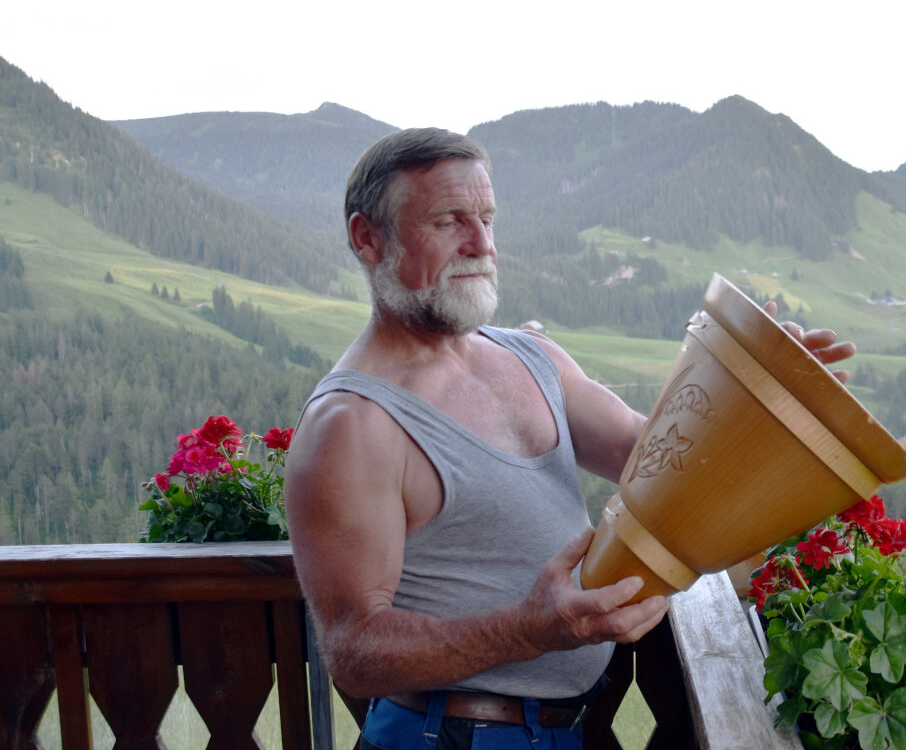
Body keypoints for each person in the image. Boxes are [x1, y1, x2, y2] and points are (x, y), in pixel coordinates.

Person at [284, 127, 856, 750]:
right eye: (449, 221)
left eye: (487, 218)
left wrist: (758, 388)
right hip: (448, 736)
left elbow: (659, 456)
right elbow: (355, 652)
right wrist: (527, 631)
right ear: (368, 238)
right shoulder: (351, 424)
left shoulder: (532, 357)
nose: (481, 244)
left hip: (569, 731)